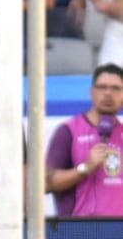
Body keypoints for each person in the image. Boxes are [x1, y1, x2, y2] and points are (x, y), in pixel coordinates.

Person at [46, 63, 123, 217]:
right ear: (91, 92)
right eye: (102, 87)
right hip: (80, 232)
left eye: (116, 88)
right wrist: (86, 168)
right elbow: (46, 183)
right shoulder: (68, 131)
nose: (108, 93)